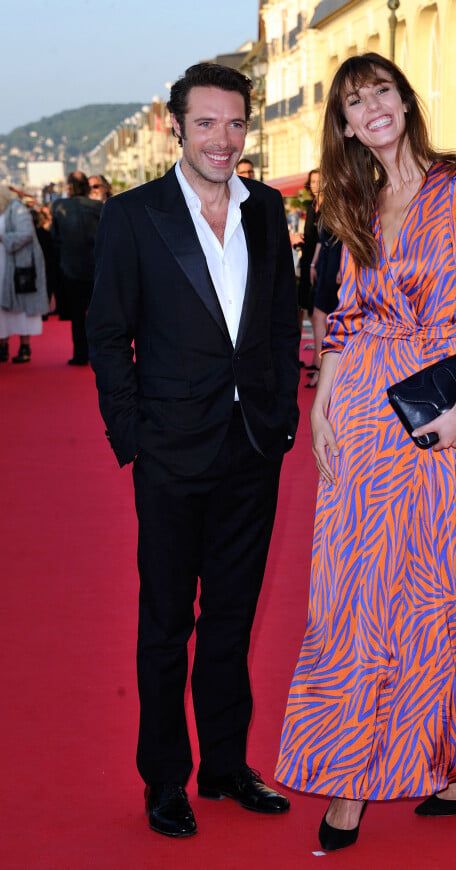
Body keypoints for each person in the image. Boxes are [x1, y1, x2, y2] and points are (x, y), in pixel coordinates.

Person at [275, 53, 456, 852]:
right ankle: (348, 785)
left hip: (432, 410)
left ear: (404, 100)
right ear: (342, 125)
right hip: (362, 410)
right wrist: (322, 411)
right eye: (353, 102)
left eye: (380, 92)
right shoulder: (354, 201)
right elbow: (341, 318)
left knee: (431, 593)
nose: (370, 108)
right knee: (346, 596)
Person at [86, 61, 300, 839]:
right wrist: (132, 436)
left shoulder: (267, 210)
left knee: (234, 622)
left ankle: (225, 766)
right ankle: (165, 778)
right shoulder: (135, 216)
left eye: (236, 122)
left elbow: (281, 320)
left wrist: (280, 420)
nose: (223, 138)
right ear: (176, 125)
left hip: (252, 450)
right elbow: (108, 335)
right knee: (166, 624)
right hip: (172, 452)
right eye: (206, 122)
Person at [51, 171, 102, 365]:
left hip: (70, 267)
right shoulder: (97, 207)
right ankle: (100, 354)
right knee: (99, 314)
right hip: (96, 266)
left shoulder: (58, 206)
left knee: (77, 314)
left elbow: (54, 237)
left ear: (69, 187)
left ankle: (81, 354)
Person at [0, 187, 49, 363]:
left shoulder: (16, 208)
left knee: (22, 308)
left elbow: (26, 233)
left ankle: (24, 346)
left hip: (18, 265)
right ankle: (3, 346)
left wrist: (3, 238)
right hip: (4, 264)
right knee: (2, 308)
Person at [306, 220, 342, 388]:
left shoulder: (346, 198)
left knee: (324, 315)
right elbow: (322, 238)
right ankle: (322, 369)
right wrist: (314, 264)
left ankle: (324, 371)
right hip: (326, 260)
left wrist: (344, 265)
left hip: (338, 258)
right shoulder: (329, 203)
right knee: (319, 314)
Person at [296, 168, 320, 358]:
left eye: (319, 181)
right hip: (307, 258)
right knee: (304, 303)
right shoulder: (313, 205)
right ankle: (315, 350)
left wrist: (313, 263)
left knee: (317, 308)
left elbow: (324, 239)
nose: (316, 185)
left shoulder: (329, 206)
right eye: (312, 182)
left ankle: (319, 355)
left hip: (319, 261)